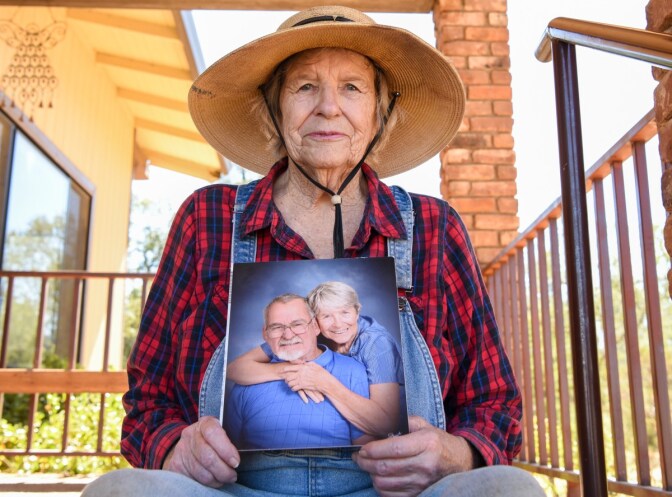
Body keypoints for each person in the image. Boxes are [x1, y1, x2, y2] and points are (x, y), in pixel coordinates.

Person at [82, 5, 545, 497]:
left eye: (352, 87)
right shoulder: (208, 219)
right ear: (273, 107)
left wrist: (455, 453)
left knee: (508, 488)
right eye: (304, 86)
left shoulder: (433, 226)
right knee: (118, 491)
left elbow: (494, 404)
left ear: (380, 111)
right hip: (229, 491)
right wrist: (175, 447)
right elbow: (148, 397)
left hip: (400, 493)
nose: (328, 106)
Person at [227, 281, 404, 437]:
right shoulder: (295, 335)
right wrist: (290, 371)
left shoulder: (376, 343)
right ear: (316, 323)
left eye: (345, 312)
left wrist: (322, 382)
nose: (338, 323)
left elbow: (386, 424)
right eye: (326, 316)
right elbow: (234, 369)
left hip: (399, 424)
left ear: (357, 311)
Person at [225, 293, 372, 450]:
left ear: (315, 326)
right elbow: (228, 449)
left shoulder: (352, 370)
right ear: (265, 333)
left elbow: (366, 449)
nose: (288, 335)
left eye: (297, 324)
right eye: (276, 327)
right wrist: (289, 370)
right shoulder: (248, 379)